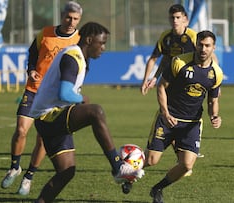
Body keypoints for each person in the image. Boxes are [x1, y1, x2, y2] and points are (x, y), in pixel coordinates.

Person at [30, 22, 144, 203]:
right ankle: (117, 167)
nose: (104, 48)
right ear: (89, 40)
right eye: (102, 42)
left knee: (66, 172)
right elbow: (64, 93)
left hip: (49, 119)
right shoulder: (72, 57)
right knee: (96, 112)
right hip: (49, 116)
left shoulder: (80, 58)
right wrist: (81, 99)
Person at [0, 1, 83, 196]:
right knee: (21, 130)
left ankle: (29, 176)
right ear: (62, 16)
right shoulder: (45, 33)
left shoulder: (79, 39)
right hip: (34, 89)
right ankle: (15, 167)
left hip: (55, 96)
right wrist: (30, 71)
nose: (71, 22)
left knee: (42, 139)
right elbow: (32, 53)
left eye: (76, 19)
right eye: (68, 17)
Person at [146, 30, 223, 203]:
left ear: (214, 48)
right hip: (168, 119)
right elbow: (161, 87)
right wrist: (165, 113)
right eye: (200, 45)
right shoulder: (179, 62)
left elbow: (213, 101)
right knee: (151, 160)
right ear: (196, 45)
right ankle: (127, 171)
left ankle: (157, 189)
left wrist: (215, 116)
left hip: (191, 124)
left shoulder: (216, 73)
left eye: (207, 46)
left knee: (187, 165)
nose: (203, 49)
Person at [140, 4, 196, 96]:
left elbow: (206, 56)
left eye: (178, 17)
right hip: (170, 78)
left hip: (189, 79)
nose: (175, 21)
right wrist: (150, 79)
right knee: (166, 106)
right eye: (172, 18)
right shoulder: (165, 37)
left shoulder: (193, 36)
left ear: (184, 19)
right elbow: (158, 58)